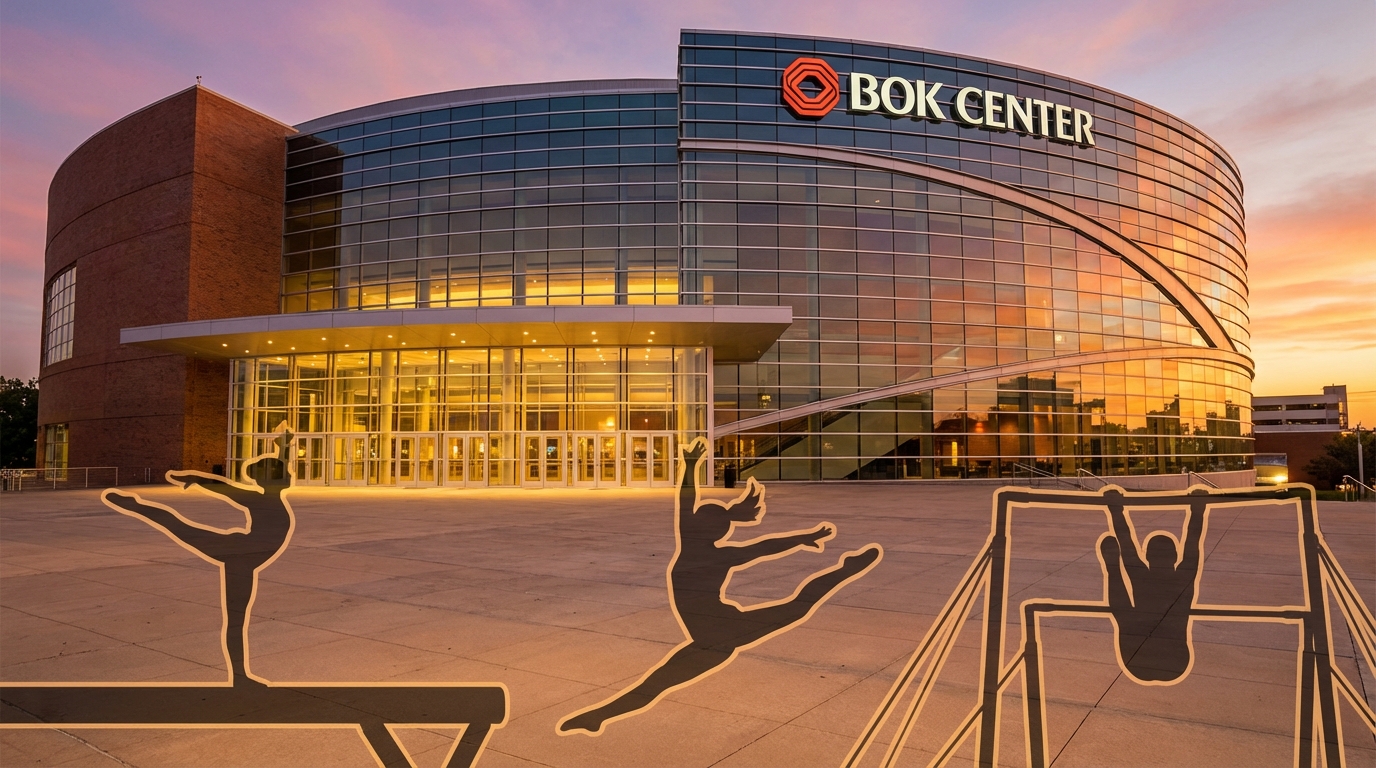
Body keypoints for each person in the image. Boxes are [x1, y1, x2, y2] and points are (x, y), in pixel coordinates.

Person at [558, 438, 882, 735]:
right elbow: (755, 542)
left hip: (721, 632)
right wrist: (802, 538)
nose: (692, 518)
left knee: (797, 607)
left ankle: (847, 568)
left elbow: (743, 535)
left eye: (698, 517)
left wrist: (690, 466)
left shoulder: (701, 548)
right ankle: (596, 718)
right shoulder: (715, 551)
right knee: (798, 606)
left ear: (704, 526)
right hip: (715, 636)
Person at [101, 430, 297, 686]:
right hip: (239, 554)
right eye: (284, 473)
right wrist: (195, 478)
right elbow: (224, 489)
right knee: (235, 616)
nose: (291, 474)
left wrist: (283, 447)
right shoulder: (260, 500)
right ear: (273, 480)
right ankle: (134, 505)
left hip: (243, 556)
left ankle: (240, 676)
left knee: (237, 617)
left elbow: (278, 470)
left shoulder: (271, 496)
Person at [1096, 489, 1208, 683]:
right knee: (1126, 615)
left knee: (1124, 614)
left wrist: (1116, 509)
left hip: (1139, 658)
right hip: (1174, 661)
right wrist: (1197, 509)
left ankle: (1112, 568)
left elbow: (1126, 539)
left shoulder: (1140, 573)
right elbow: (1192, 541)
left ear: (1146, 556)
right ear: (1175, 557)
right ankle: (1112, 568)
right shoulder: (1184, 576)